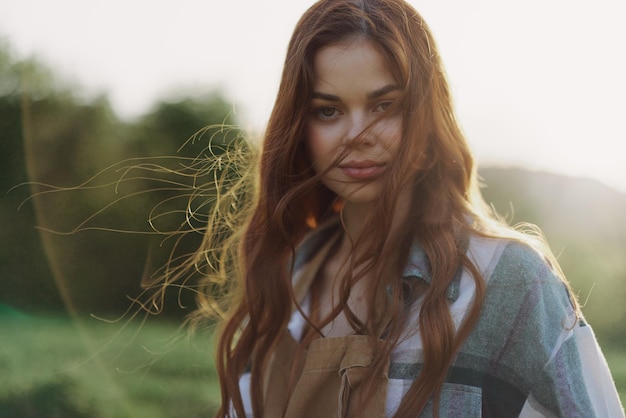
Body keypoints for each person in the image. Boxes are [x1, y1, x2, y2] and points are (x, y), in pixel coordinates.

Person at [174, 0, 624, 416]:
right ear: (299, 127)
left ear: (427, 115)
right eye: (328, 111)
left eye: (384, 106)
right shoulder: (287, 280)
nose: (357, 134)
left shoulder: (507, 280)